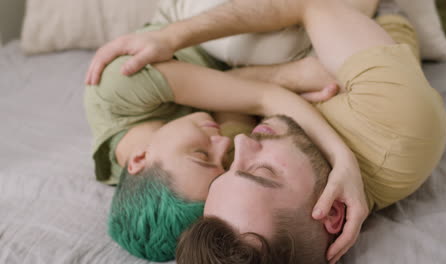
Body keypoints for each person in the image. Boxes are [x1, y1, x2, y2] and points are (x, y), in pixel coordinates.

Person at [84, 0, 446, 263]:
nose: (234, 141)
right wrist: (341, 155)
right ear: (334, 211)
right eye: (260, 172)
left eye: (226, 169)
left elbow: (245, 93)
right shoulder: (394, 126)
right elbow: (309, 10)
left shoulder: (249, 177)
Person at [84, 18, 343, 263]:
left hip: (194, 23)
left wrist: (342, 160)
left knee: (283, 47)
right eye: (224, 166)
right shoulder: (195, 180)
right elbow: (238, 101)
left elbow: (261, 96)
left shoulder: (117, 89)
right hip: (227, 64)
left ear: (138, 159)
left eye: (200, 154)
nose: (225, 143)